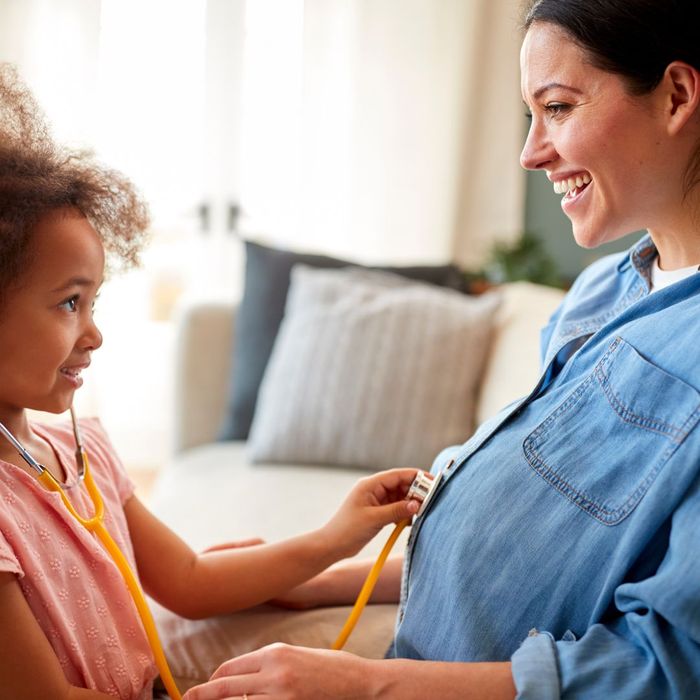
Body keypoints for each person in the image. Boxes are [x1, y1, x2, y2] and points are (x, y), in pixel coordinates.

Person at [183, 0, 700, 698]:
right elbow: (535, 556)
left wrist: (370, 687)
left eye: (557, 107)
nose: (529, 152)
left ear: (676, 96)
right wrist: (313, 581)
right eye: (530, 113)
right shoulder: (603, 290)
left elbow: (665, 673)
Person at [0, 63, 423, 700]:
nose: (94, 335)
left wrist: (337, 537)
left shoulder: (85, 454)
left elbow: (192, 580)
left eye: (94, 304)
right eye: (68, 303)